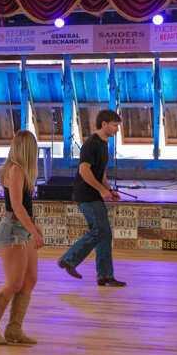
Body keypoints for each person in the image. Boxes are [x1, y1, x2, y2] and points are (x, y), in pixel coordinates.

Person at [0, 130, 44, 345]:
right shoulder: (15, 170)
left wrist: (33, 227)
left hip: (22, 229)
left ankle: (14, 329)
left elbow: (24, 206)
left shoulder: (21, 171)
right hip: (12, 231)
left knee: (30, 279)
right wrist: (33, 231)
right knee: (14, 282)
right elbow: (17, 206)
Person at [57, 109, 126, 288]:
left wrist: (109, 190)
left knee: (104, 234)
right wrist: (101, 190)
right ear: (104, 124)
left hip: (95, 194)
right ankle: (69, 259)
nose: (117, 129)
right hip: (86, 195)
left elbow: (101, 174)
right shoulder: (91, 144)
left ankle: (105, 276)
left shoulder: (104, 145)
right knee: (99, 231)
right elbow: (84, 171)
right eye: (115, 125)